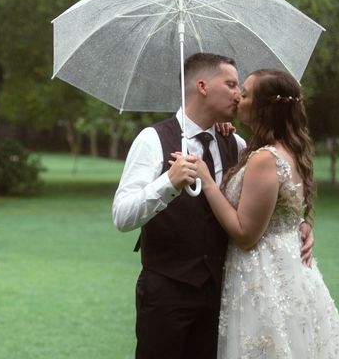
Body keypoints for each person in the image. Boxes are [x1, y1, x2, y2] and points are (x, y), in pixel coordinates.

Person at [112, 54, 314, 359]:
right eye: (231, 84)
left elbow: (270, 200)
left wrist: (299, 224)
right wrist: (168, 182)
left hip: (224, 292)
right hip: (167, 293)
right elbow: (122, 216)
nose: (238, 94)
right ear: (203, 86)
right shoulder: (152, 139)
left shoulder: (238, 145)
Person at [191, 68, 339, 358]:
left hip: (264, 273)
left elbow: (245, 234)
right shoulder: (285, 149)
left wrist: (206, 181)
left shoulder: (265, 159)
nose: (239, 96)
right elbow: (283, 210)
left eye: (247, 93)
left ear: (264, 107)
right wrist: (301, 224)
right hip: (287, 263)